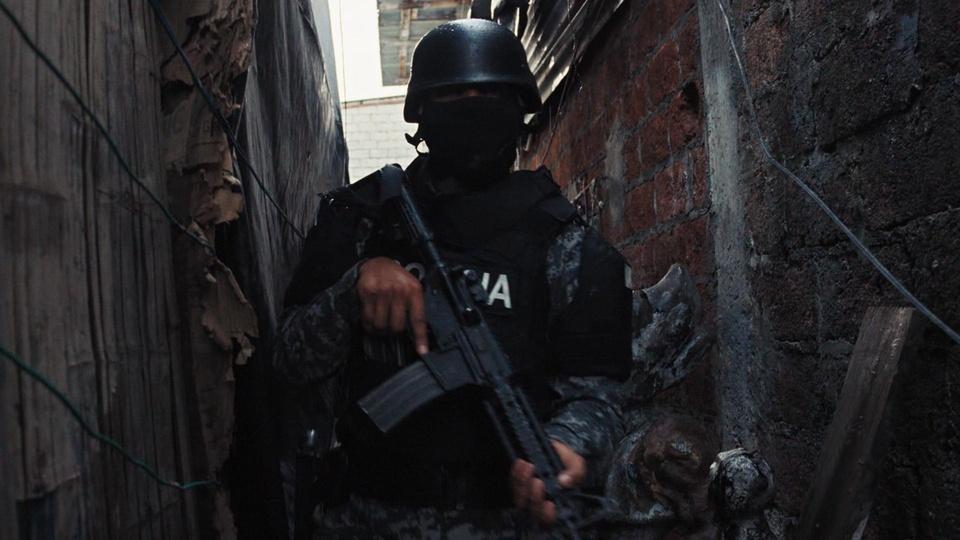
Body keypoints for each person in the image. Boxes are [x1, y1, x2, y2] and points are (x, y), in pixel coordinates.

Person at [273, 18, 633, 538]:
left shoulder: (567, 246)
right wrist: (352, 290)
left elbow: (598, 397)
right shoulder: (363, 223)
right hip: (368, 518)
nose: (472, 107)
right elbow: (287, 365)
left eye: (488, 94)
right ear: (421, 116)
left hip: (508, 521)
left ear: (518, 114)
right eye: (454, 95)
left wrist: (567, 447)